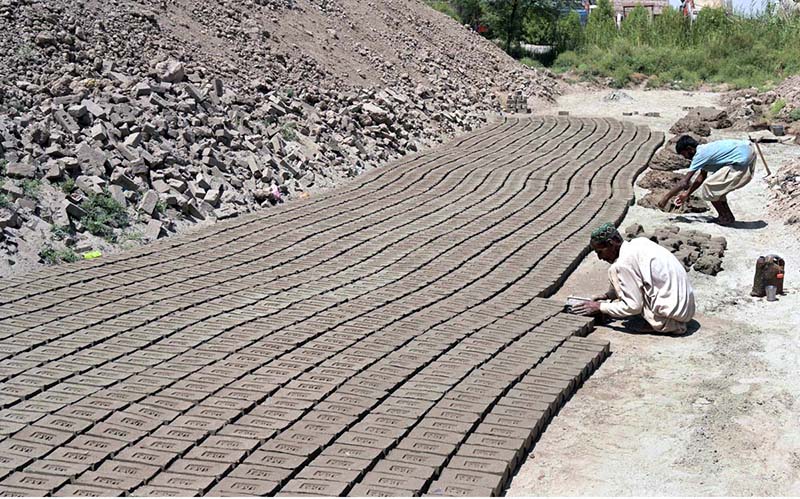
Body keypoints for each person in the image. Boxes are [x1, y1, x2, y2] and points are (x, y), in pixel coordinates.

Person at [573, 223, 696, 334]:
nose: (600, 258)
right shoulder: (639, 242)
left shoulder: (623, 263)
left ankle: (663, 323)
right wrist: (608, 296)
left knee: (615, 271)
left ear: (611, 244)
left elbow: (633, 306)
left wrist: (600, 307)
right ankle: (665, 317)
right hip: (686, 307)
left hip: (674, 313)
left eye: (600, 252)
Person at [658, 135, 757, 226]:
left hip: (742, 159)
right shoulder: (704, 150)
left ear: (690, 149)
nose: (685, 158)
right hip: (747, 152)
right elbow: (701, 176)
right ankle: (728, 216)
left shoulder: (700, 155)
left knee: (709, 187)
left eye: (685, 154)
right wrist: (686, 194)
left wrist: (665, 198)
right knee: (717, 187)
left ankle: (724, 217)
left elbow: (684, 182)